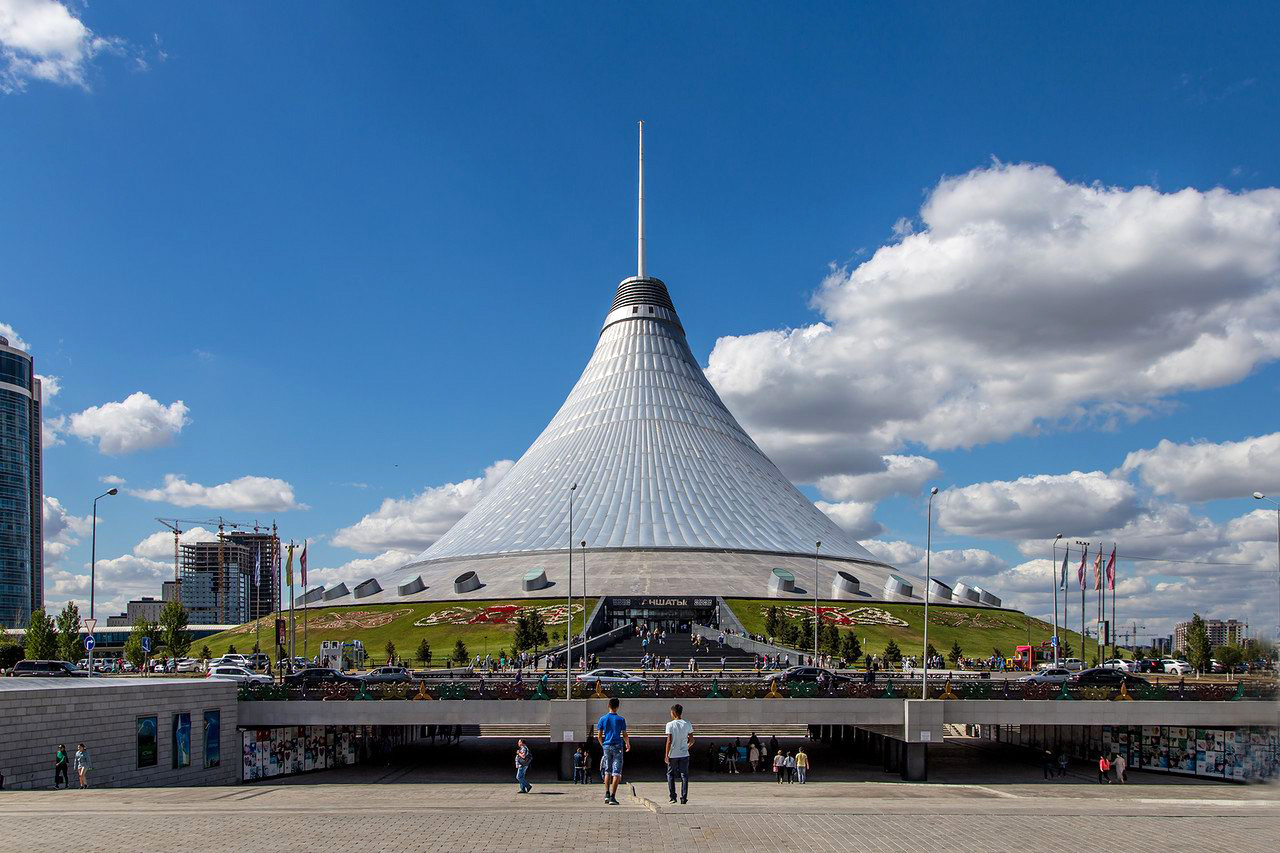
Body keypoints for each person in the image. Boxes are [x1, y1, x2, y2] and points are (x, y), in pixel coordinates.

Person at [595, 696, 629, 805]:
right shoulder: (621, 719)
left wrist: (603, 745)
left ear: (608, 705)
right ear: (617, 707)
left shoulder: (603, 719)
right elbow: (624, 734)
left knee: (607, 770)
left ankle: (606, 794)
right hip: (617, 746)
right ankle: (613, 797)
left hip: (607, 746)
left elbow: (599, 735)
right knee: (616, 772)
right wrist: (628, 744)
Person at [664, 703, 694, 805]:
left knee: (670, 774)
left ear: (673, 713)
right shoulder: (687, 723)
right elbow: (692, 740)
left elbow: (669, 741)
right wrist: (686, 746)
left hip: (673, 754)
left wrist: (666, 755)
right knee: (684, 776)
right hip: (684, 754)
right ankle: (684, 798)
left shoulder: (670, 725)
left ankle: (673, 797)